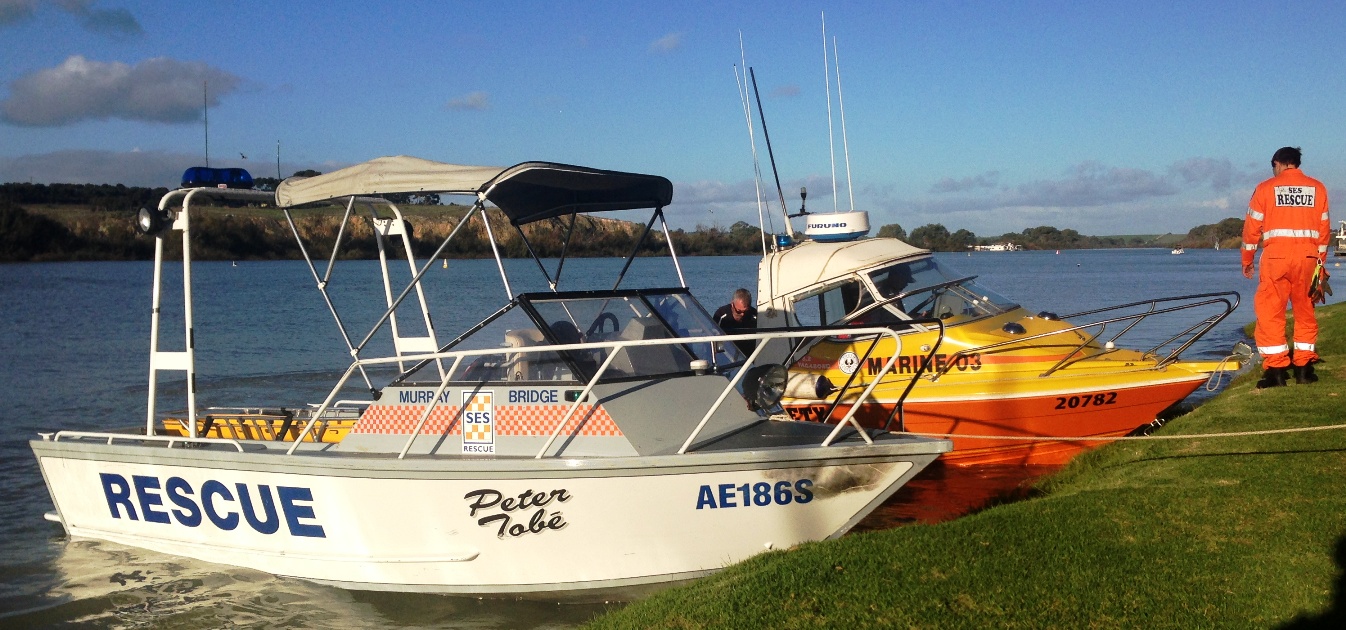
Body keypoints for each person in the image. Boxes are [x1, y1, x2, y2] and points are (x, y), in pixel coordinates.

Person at [1242, 146, 1331, 387]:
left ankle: (1277, 372)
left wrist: (1247, 260)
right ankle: (1303, 370)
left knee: (1270, 313)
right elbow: (1324, 232)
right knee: (1305, 312)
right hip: (1308, 258)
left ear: (1277, 163)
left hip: (1276, 259)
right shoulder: (1318, 188)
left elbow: (1251, 230)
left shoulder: (1265, 188)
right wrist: (1321, 266)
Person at [713, 288, 757, 355]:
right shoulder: (721, 315)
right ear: (732, 304)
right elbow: (712, 334)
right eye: (739, 311)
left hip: (750, 355)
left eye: (745, 311)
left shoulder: (754, 316)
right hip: (726, 354)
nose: (742, 314)